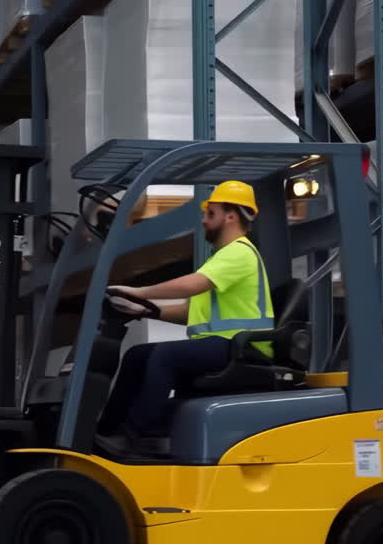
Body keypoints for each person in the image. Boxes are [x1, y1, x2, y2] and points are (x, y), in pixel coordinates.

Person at [97, 180, 274, 451]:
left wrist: (140, 292)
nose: (203, 220)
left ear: (231, 215)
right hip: (223, 343)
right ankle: (106, 430)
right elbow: (192, 311)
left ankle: (132, 435)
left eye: (210, 213)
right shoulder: (221, 257)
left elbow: (193, 285)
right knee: (138, 355)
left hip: (242, 347)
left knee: (165, 357)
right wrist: (148, 310)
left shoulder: (239, 252)